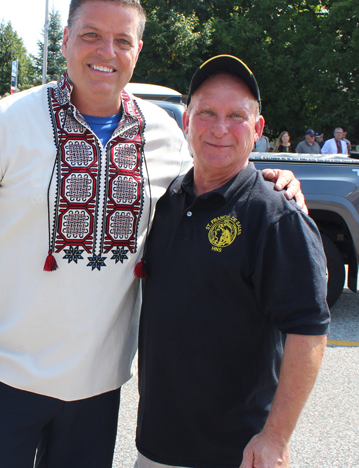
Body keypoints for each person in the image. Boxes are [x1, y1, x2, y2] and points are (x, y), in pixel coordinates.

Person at [0, 0, 302, 468]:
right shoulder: (7, 123)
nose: (106, 52)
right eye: (91, 35)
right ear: (65, 39)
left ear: (137, 51)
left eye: (122, 40)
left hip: (99, 389)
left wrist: (272, 179)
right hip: (4, 381)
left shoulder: (163, 135)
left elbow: (213, 181)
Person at [135, 55, 329, 468]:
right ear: (186, 120)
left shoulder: (276, 216)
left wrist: (275, 438)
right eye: (207, 112)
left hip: (237, 454)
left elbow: (309, 332)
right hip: (156, 448)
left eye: (236, 116)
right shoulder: (166, 202)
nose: (220, 128)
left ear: (258, 129)